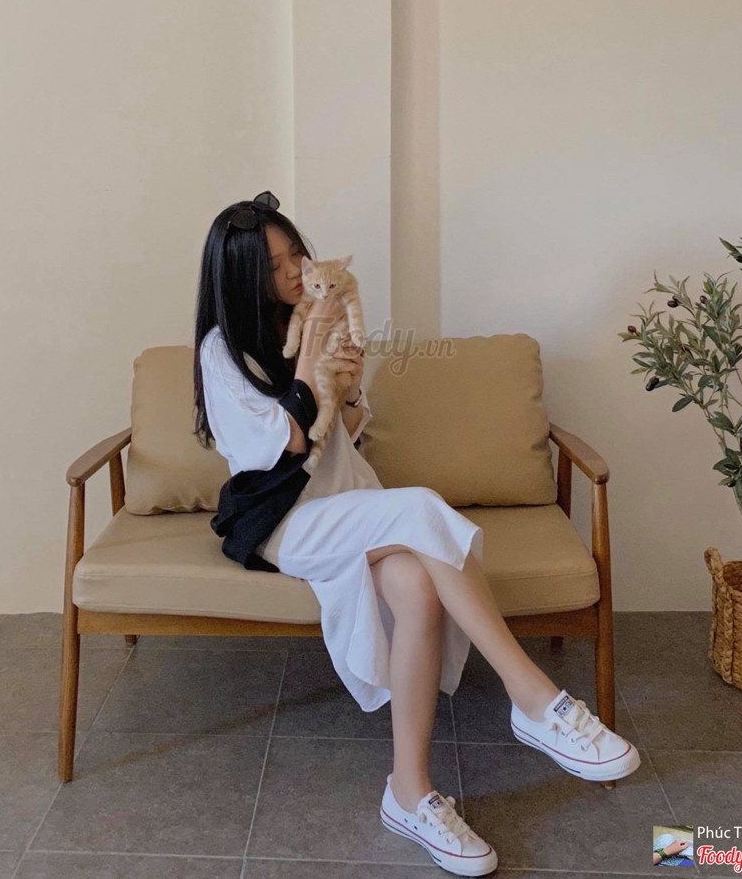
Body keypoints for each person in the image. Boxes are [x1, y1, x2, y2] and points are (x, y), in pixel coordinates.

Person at [192, 191, 642, 878]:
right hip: (286, 523)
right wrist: (310, 353)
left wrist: (349, 387)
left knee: (416, 588)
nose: (292, 274)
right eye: (273, 266)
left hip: (345, 502)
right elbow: (281, 445)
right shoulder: (222, 351)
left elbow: (337, 436)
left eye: (295, 256)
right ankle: (533, 698)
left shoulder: (313, 317)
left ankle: (409, 792)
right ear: (239, 277)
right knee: (422, 508)